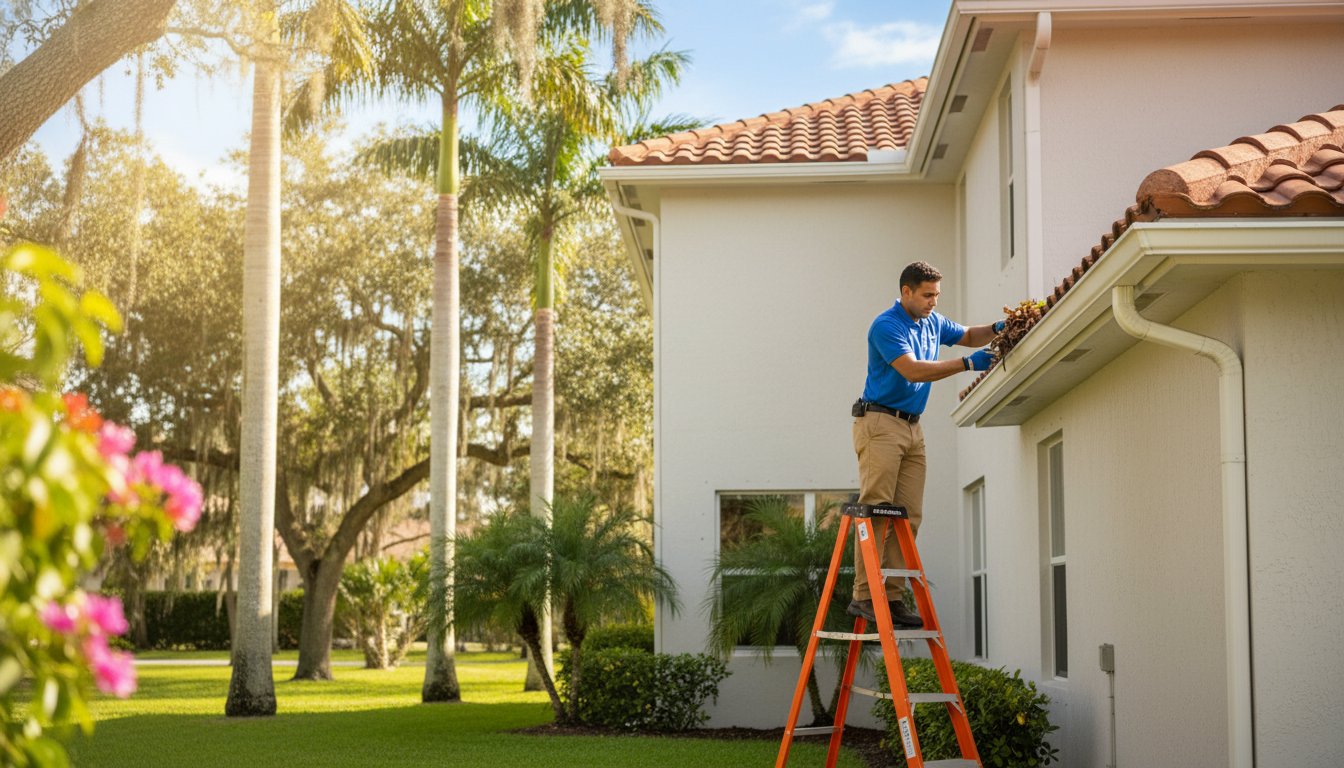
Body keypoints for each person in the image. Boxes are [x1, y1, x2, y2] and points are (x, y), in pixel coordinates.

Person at [849, 260, 1000, 628]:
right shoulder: (886, 325)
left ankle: (894, 597)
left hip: (913, 429)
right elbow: (913, 369)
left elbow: (969, 334)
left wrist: (998, 328)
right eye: (927, 295)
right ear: (906, 292)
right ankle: (865, 596)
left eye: (937, 295)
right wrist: (967, 364)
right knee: (878, 510)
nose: (934, 301)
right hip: (880, 423)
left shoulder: (933, 321)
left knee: (908, 517)